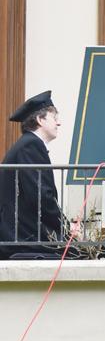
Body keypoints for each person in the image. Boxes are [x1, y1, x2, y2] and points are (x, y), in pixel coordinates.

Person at [0, 90, 64, 260]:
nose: (59, 123)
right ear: (40, 120)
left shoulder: (28, 144)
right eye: (54, 118)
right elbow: (41, 195)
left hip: (22, 234)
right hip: (23, 237)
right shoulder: (31, 145)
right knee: (91, 254)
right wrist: (64, 226)